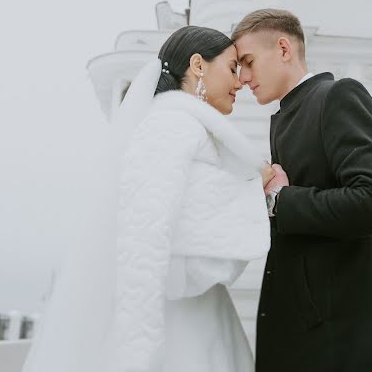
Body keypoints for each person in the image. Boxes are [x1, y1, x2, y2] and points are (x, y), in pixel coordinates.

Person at [22, 26, 273, 372]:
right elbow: (144, 228)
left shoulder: (182, 124)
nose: (241, 81)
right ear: (198, 65)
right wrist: (254, 190)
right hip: (175, 324)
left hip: (191, 310)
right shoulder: (171, 124)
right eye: (232, 68)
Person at [232, 8, 372, 372]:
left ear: (284, 49)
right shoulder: (286, 118)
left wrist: (281, 200)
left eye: (249, 62)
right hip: (306, 337)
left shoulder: (336, 96)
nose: (244, 78)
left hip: (343, 342)